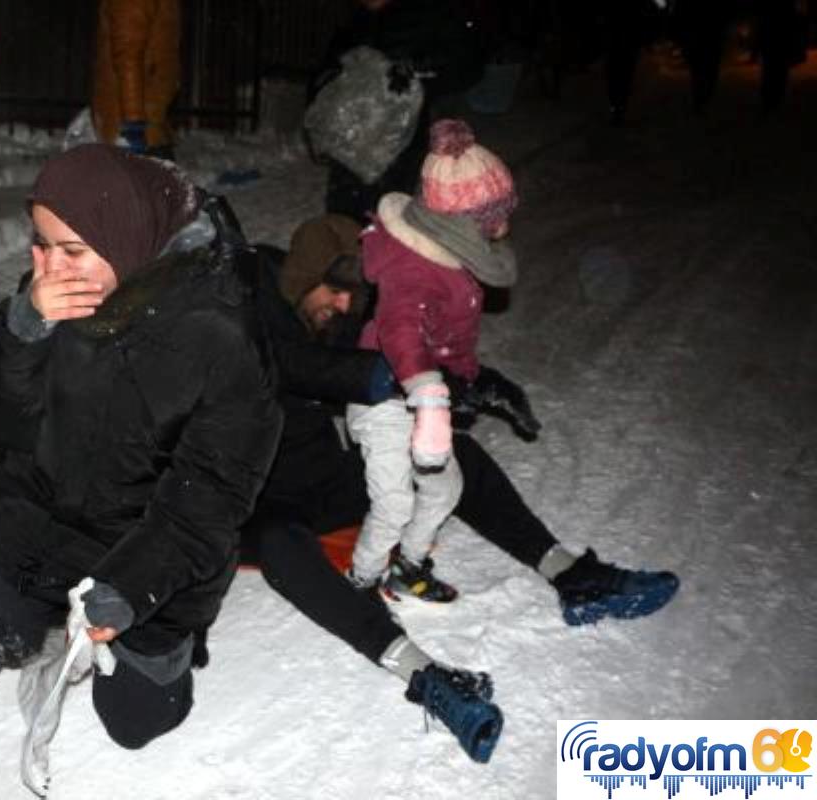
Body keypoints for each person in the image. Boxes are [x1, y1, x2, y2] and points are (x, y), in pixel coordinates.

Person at [238, 212, 681, 763]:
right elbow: (297, 365)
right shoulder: (246, 302)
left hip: (319, 474)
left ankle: (570, 573)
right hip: (247, 496)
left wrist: (467, 382)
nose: (345, 306)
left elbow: (391, 352)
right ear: (303, 278)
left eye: (353, 295)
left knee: (450, 456)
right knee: (284, 546)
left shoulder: (334, 307)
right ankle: (425, 675)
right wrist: (399, 382)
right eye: (334, 291)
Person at [0, 145, 282, 759]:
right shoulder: (54, 293)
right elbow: (1, 431)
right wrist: (22, 331)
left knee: (137, 722)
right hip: (43, 507)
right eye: (41, 245)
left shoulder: (220, 337)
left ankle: (165, 647)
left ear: (128, 239)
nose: (50, 267)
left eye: (70, 249)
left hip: (147, 538)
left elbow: (210, 498)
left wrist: (131, 588)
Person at [346, 118, 538, 604]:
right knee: (394, 503)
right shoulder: (413, 267)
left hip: (425, 399)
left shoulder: (453, 260)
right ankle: (362, 581)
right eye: (493, 217)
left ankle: (407, 567)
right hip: (383, 398)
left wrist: (476, 382)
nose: (502, 227)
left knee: (445, 489)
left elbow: (451, 347)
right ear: (461, 222)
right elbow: (401, 330)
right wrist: (429, 396)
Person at [310, 0, 488, 223]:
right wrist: (325, 87)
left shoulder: (431, 15)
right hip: (352, 139)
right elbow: (331, 63)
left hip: (400, 141)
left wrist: (417, 70)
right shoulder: (358, 20)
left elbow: (467, 65)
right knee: (342, 214)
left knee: (386, 214)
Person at [90, 0, 180, 160]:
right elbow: (128, 57)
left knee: (158, 180)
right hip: (137, 121)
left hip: (150, 116)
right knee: (150, 180)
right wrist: (133, 121)